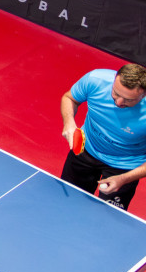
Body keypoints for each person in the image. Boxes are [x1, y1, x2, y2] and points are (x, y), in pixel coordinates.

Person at [61, 62, 146, 211]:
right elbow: (69, 98)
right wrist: (69, 123)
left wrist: (124, 179)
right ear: (114, 79)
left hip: (124, 167)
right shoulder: (95, 80)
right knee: (66, 205)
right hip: (85, 149)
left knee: (106, 219)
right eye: (116, 93)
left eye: (129, 100)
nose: (119, 102)